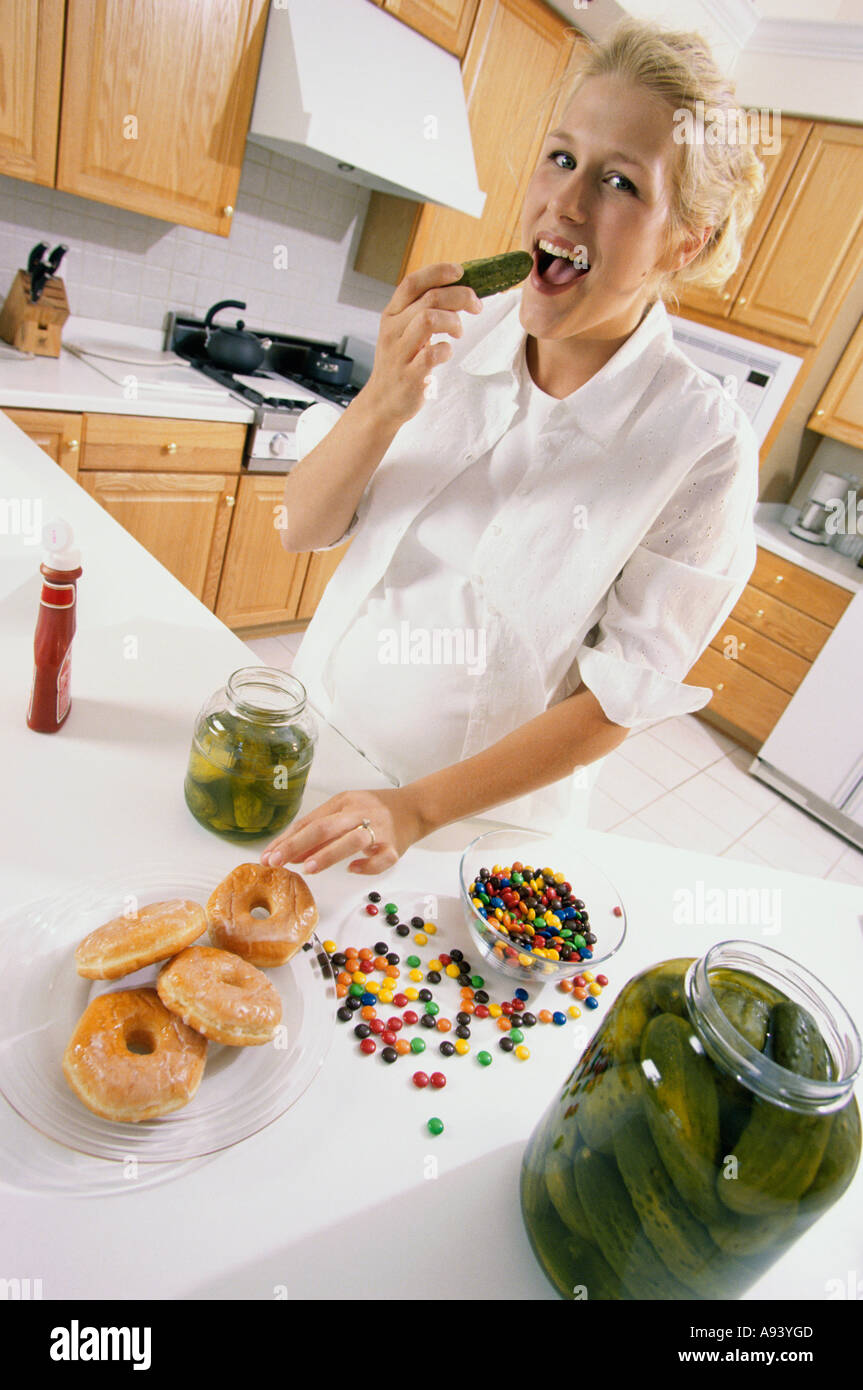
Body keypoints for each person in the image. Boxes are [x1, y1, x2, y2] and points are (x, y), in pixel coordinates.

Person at [261, 17, 765, 878]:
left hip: (462, 836)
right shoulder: (459, 327)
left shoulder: (698, 443)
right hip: (310, 746)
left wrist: (416, 809)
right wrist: (383, 399)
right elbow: (301, 527)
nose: (565, 204)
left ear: (689, 241)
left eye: (619, 183)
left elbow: (618, 698)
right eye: (562, 158)